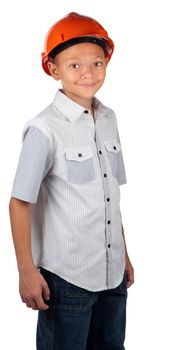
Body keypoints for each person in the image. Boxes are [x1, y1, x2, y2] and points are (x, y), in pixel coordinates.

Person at [9, 12, 134, 350]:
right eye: (74, 65)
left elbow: (110, 198)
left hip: (111, 276)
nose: (88, 73)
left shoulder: (109, 119)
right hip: (67, 280)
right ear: (53, 68)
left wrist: (123, 255)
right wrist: (26, 271)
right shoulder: (44, 129)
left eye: (96, 63)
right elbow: (19, 202)